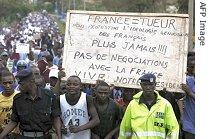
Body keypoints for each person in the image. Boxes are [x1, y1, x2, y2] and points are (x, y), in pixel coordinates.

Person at [0, 69, 61, 139]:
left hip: (44, 136)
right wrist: (1, 136)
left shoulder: (49, 96)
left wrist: (59, 135)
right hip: (24, 136)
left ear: (31, 81)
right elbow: (14, 121)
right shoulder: (18, 99)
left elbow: (56, 118)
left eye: (22, 84)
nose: (19, 87)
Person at [119, 73, 179, 139]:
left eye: (151, 84)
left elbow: (173, 129)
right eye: (145, 85)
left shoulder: (165, 104)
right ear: (141, 85)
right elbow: (125, 129)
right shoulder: (133, 104)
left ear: (155, 85)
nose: (148, 87)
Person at [0, 71, 19, 138]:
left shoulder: (19, 96)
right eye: (5, 83)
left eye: (10, 83)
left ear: (14, 82)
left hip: (17, 134)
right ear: (1, 83)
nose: (8, 86)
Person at [181, 55, 195, 139]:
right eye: (192, 66)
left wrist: (190, 93)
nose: (194, 69)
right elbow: (178, 95)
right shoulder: (188, 80)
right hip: (189, 126)